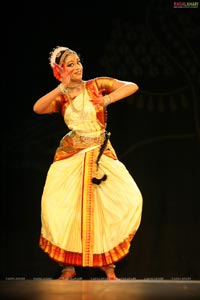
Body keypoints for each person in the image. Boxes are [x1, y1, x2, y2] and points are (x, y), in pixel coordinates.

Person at [33, 46, 143, 280]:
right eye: (70, 64)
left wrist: (108, 99)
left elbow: (132, 86)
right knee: (63, 209)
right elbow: (38, 108)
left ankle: (107, 264)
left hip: (99, 154)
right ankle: (69, 267)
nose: (77, 67)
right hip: (71, 155)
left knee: (117, 203)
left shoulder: (96, 85)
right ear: (60, 70)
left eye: (78, 62)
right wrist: (61, 86)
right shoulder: (61, 97)